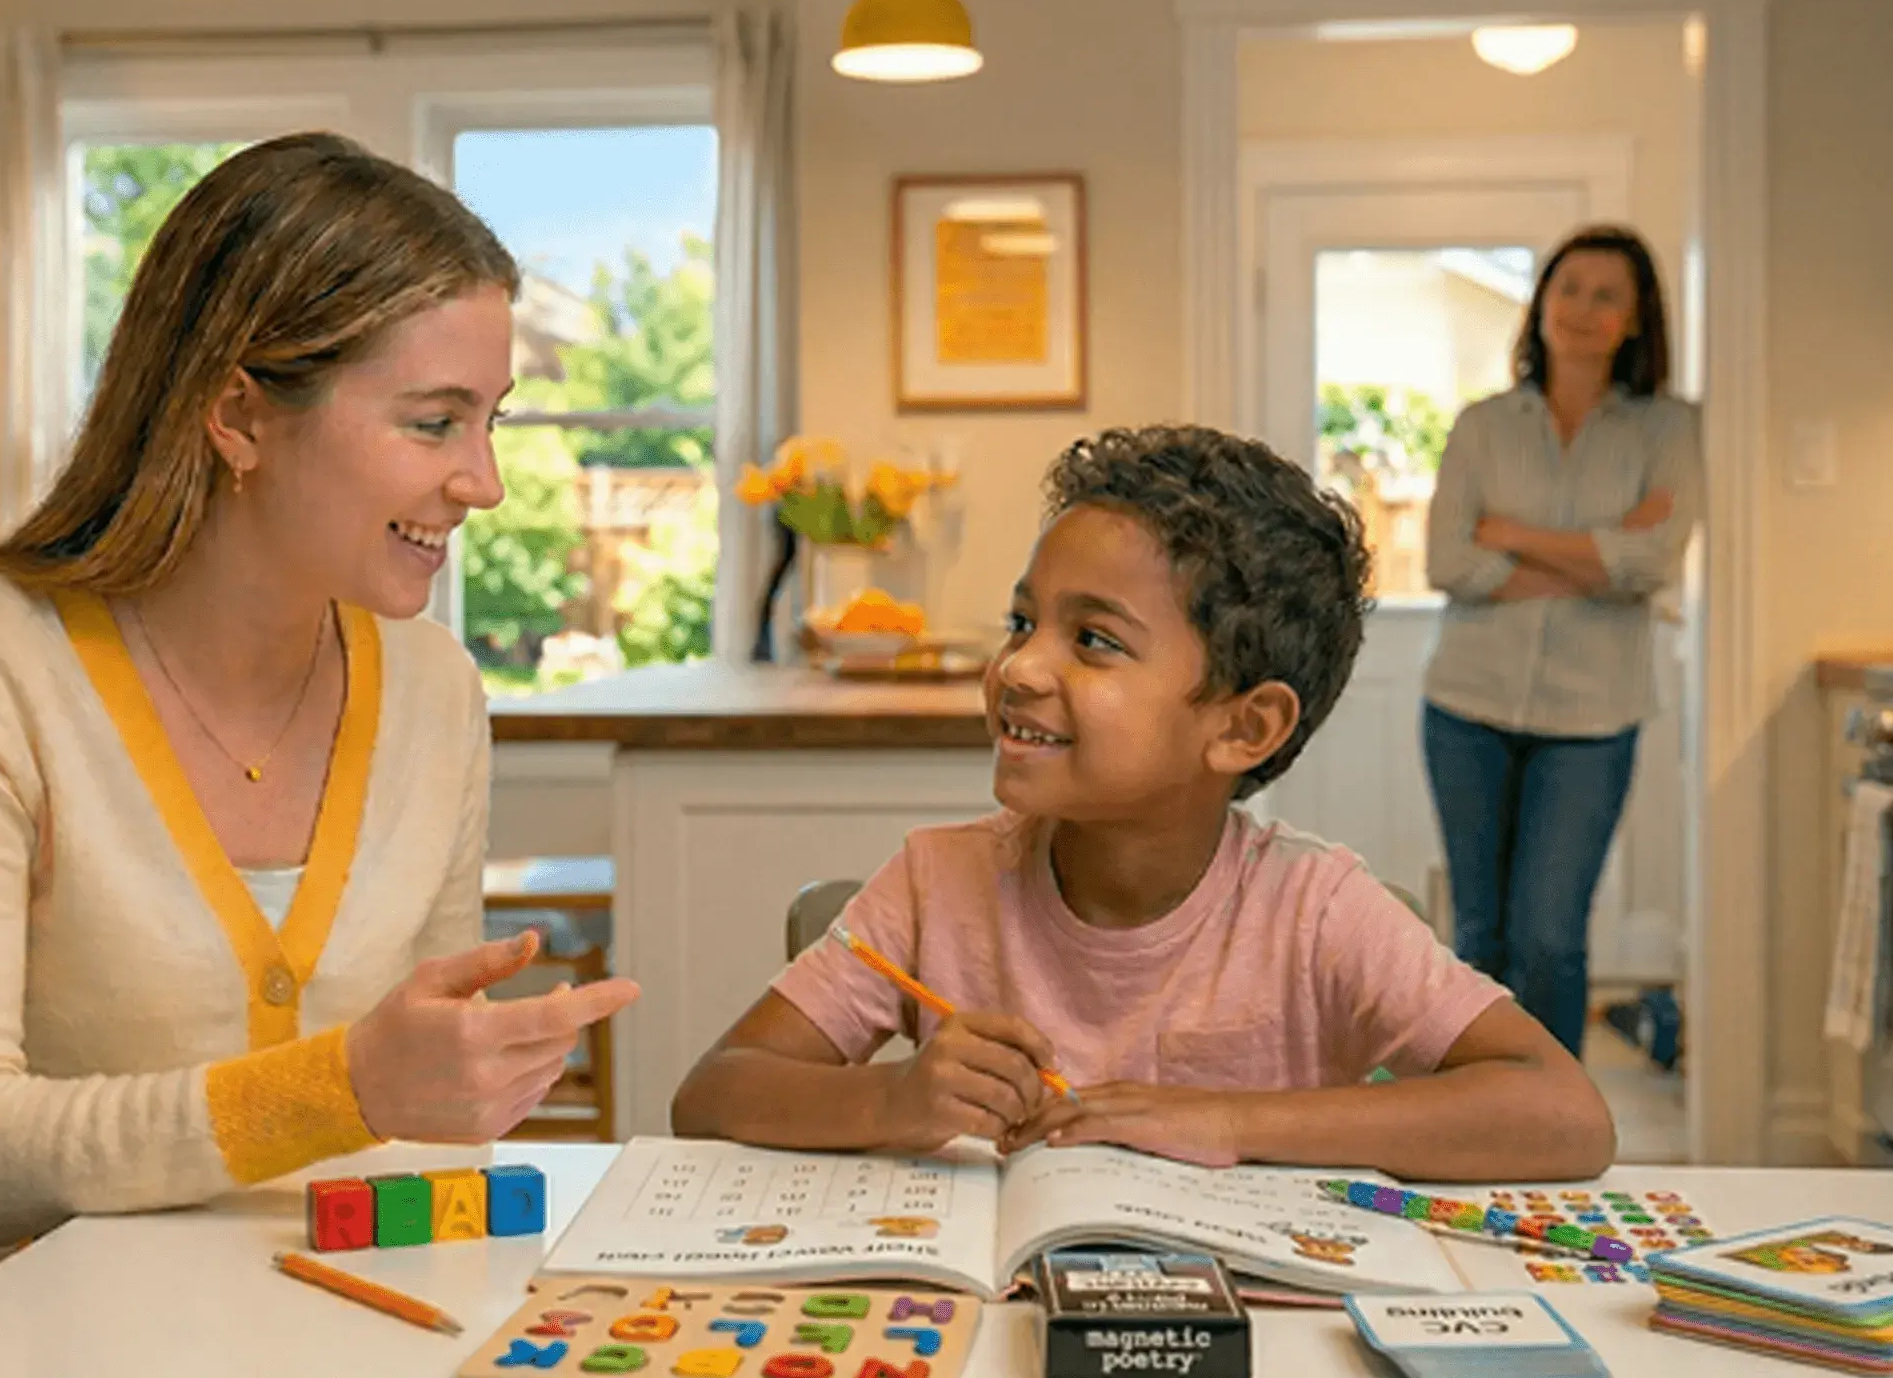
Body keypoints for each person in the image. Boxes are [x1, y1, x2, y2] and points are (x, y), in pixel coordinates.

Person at [0, 133, 639, 1374]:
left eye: (489, 421)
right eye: (432, 422)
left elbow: (416, 1137)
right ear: (239, 414)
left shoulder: (435, 691)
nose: (484, 481)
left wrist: (455, 1096)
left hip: (296, 1316)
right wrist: (338, 1087)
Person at [668, 427, 1614, 1183]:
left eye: (1093, 640)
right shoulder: (934, 882)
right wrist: (893, 1102)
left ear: (1244, 730)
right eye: (1022, 623)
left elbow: (1563, 1114)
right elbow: (714, 1094)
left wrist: (1226, 1118)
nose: (1020, 668)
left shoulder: (1316, 910)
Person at [1420, 223, 1703, 1059]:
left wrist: (1511, 534)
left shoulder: (1669, 430)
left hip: (1592, 719)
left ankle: (1552, 1117)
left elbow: (1653, 562)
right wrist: (1597, 552)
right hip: (1465, 705)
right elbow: (1446, 559)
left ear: (1635, 320)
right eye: (1568, 288)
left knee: (1549, 934)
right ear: (1541, 303)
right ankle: (1477, 1111)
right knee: (1481, 934)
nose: (1581, 309)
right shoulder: (1482, 426)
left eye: (1606, 295)